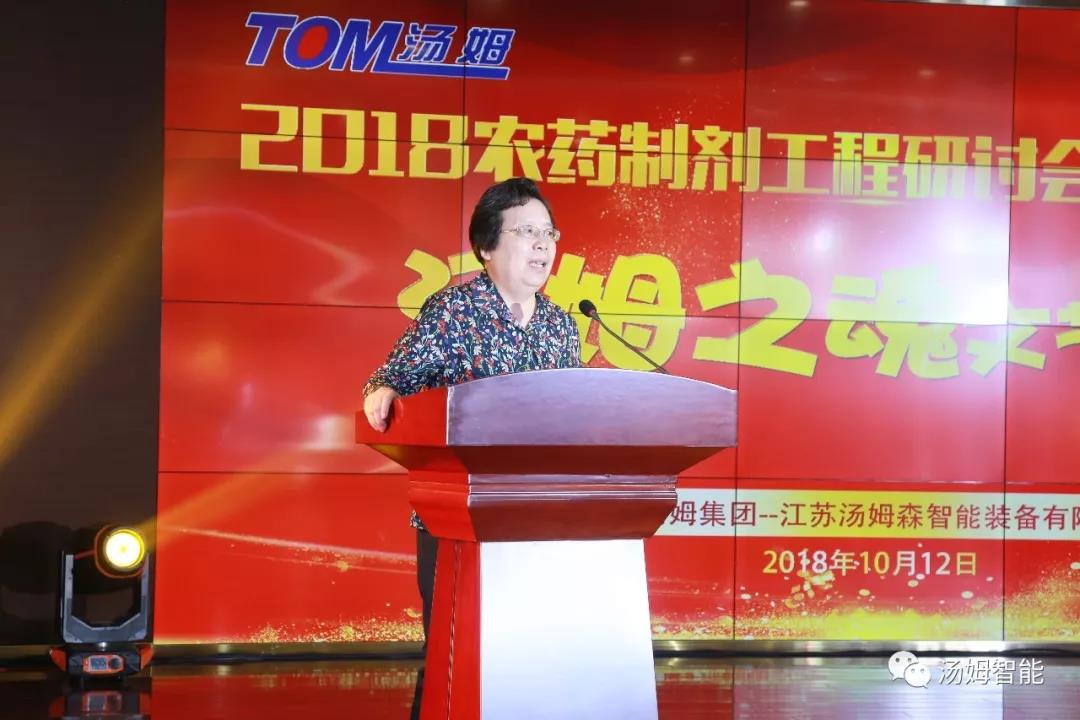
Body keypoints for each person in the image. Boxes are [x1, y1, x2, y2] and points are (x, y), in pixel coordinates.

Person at [362, 177, 581, 644]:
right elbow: (395, 378)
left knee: (528, 649)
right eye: (527, 232)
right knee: (458, 650)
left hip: (536, 514)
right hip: (456, 515)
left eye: (548, 233)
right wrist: (382, 390)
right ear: (486, 246)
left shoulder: (561, 326)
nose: (543, 244)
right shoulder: (452, 311)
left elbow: (570, 413)